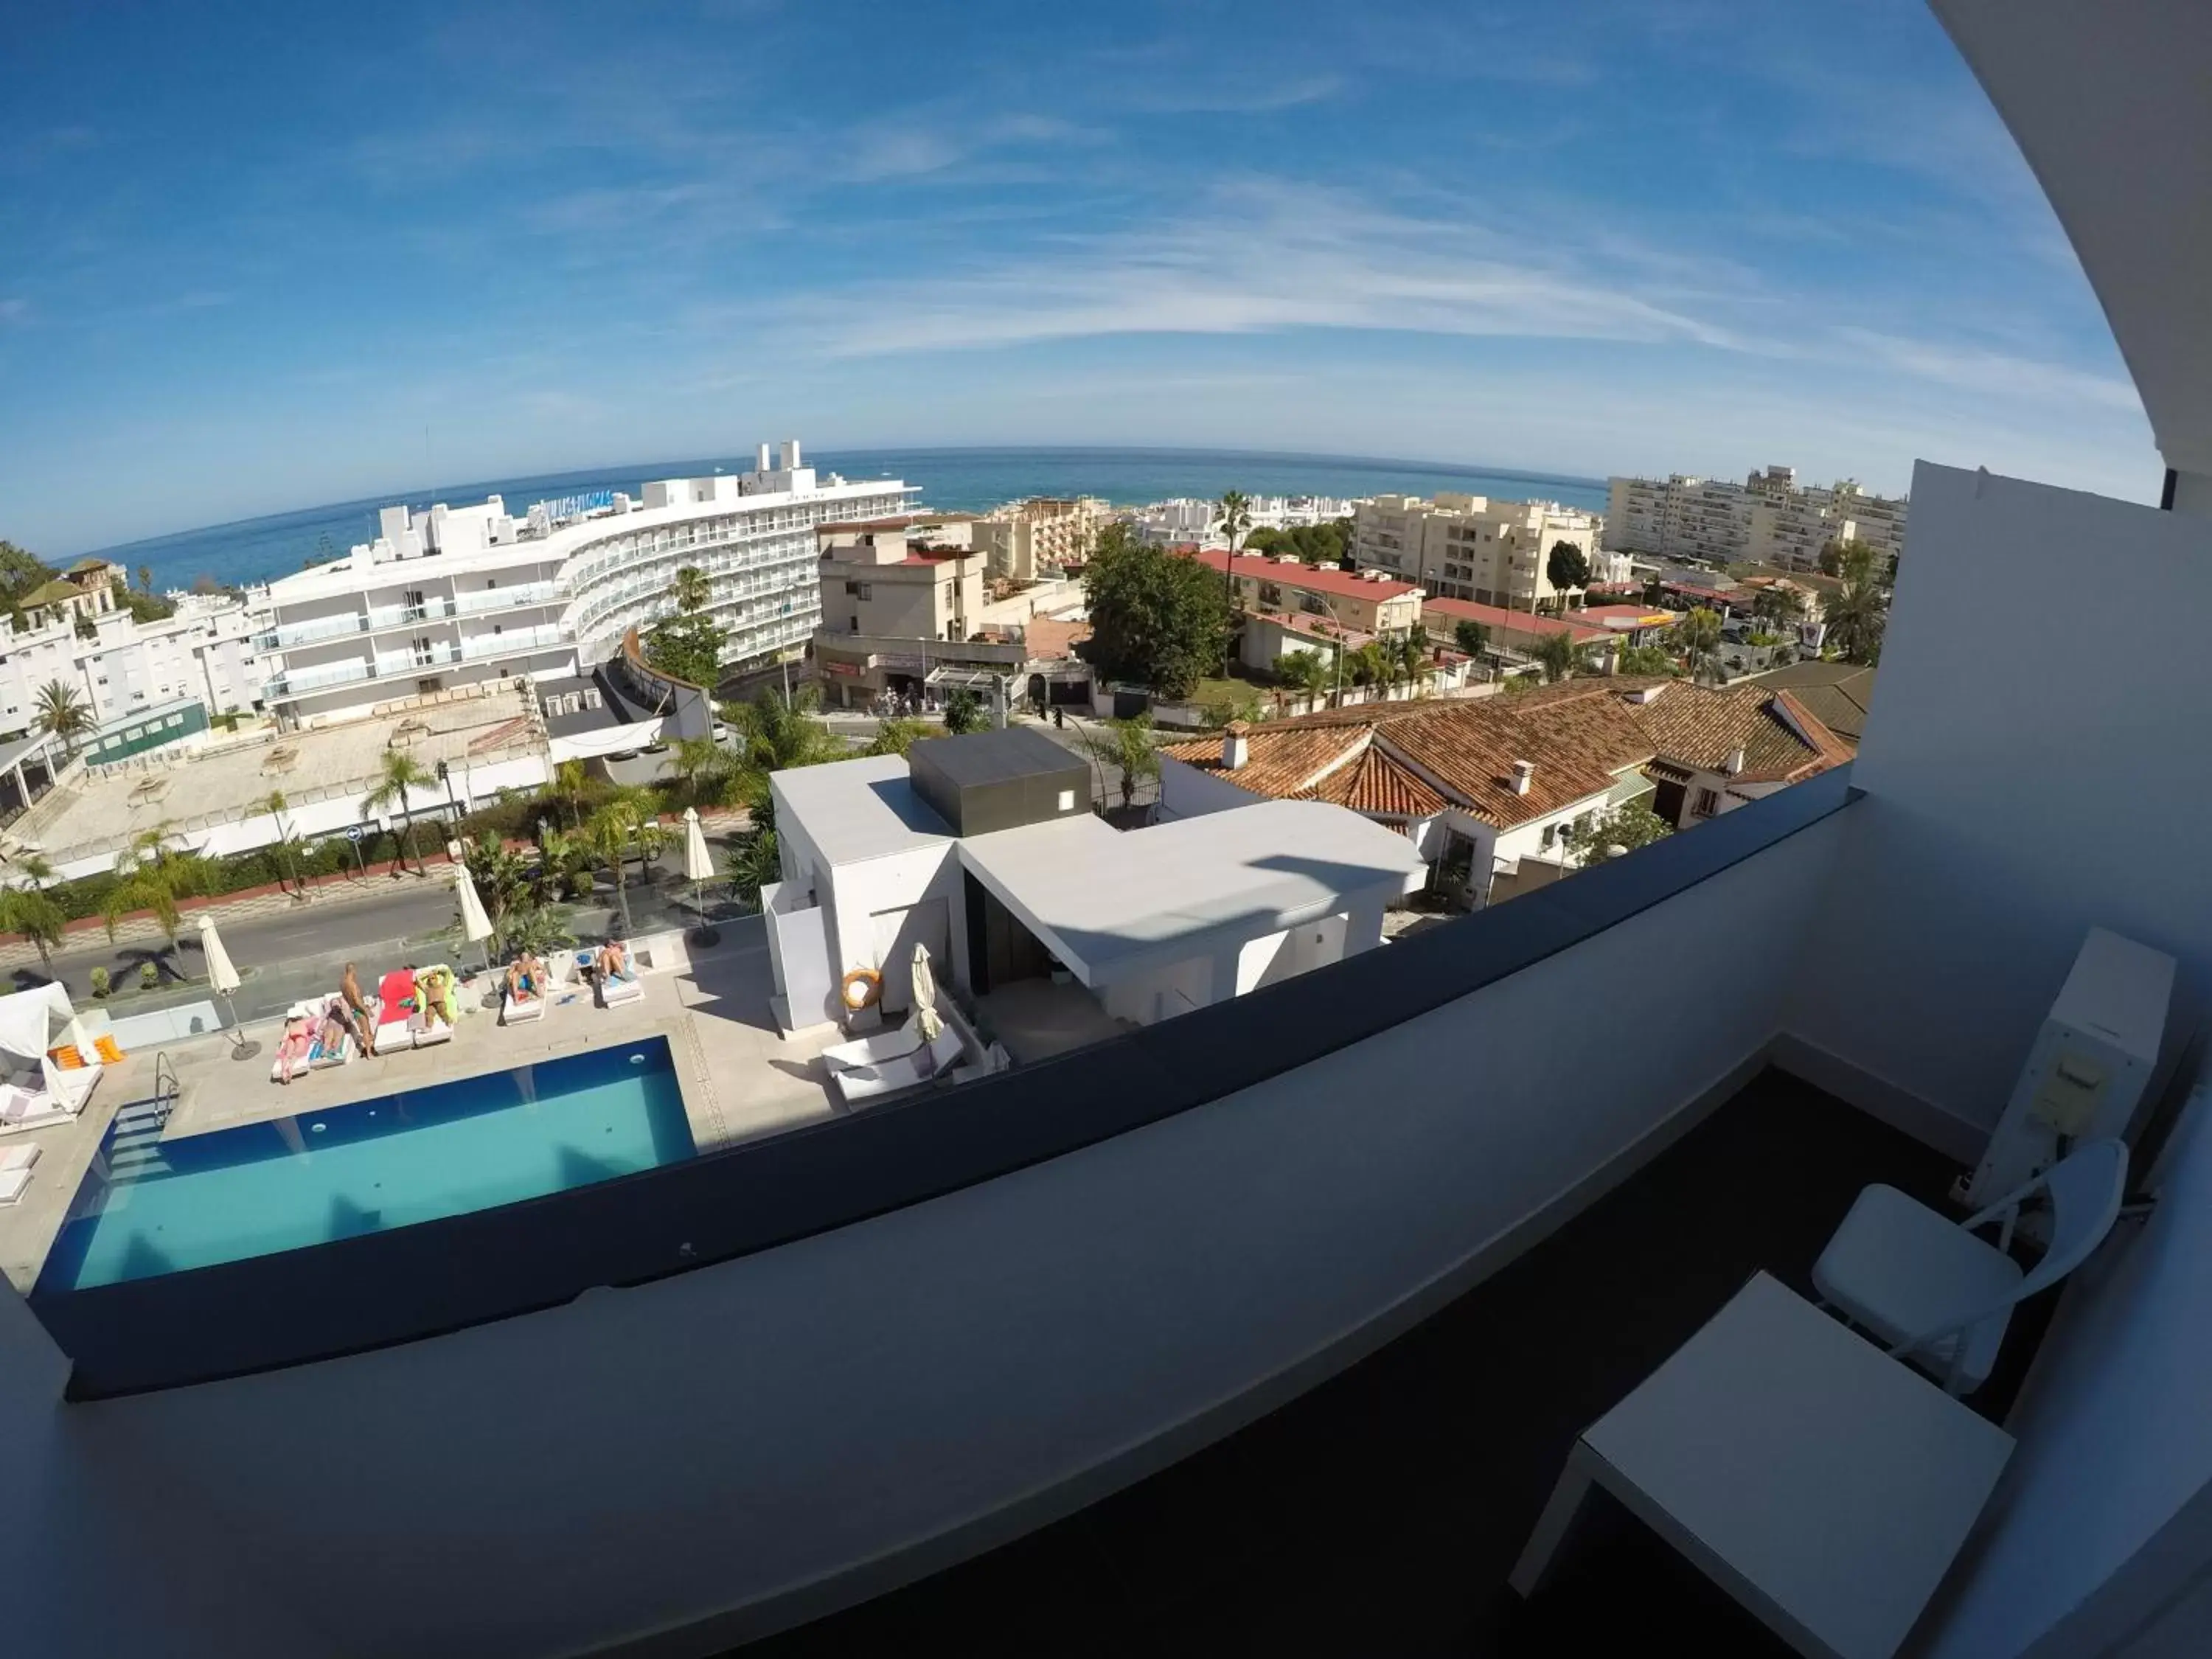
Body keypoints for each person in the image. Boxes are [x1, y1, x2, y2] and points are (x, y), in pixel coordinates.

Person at [339, 961, 378, 1057]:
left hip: (353, 1010)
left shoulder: (343, 984)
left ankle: (370, 1041)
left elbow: (346, 997)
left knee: (366, 1029)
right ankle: (369, 1052)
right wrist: (366, 1010)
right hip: (359, 1009)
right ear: (353, 971)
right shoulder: (353, 985)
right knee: (365, 1030)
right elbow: (357, 1000)